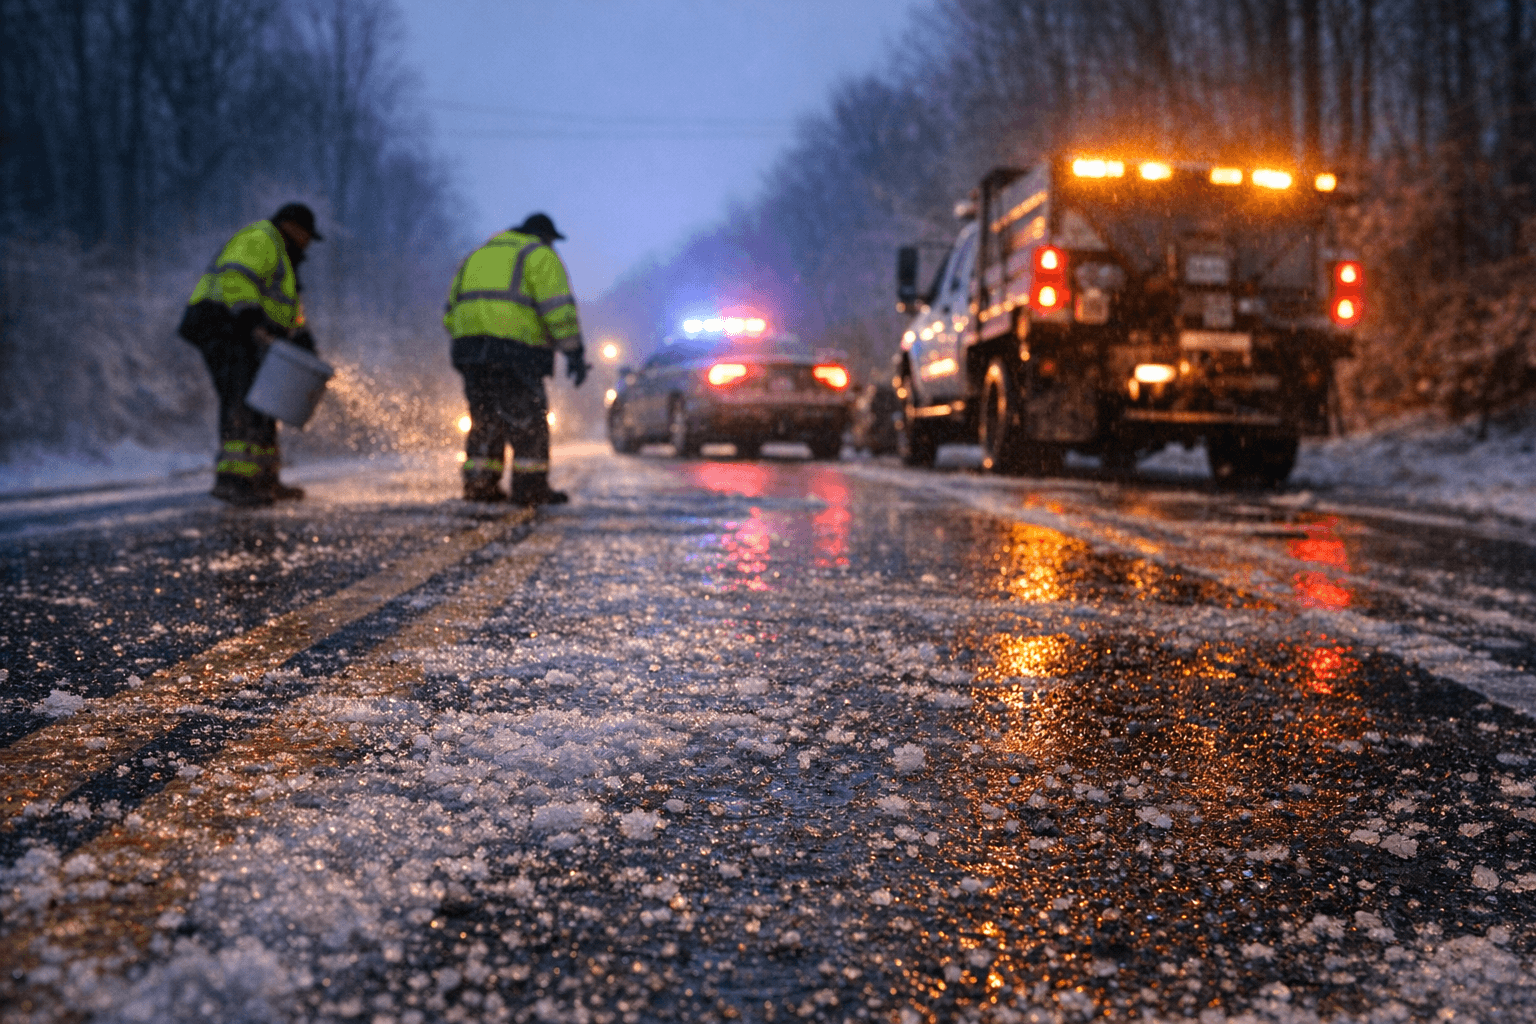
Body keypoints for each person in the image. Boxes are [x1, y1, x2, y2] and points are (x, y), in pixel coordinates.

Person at [179, 203, 321, 507]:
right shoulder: (262, 238)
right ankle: (233, 480)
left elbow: (289, 309)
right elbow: (236, 276)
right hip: (220, 322)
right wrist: (248, 315)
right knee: (241, 394)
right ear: (293, 227)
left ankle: (265, 479)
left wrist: (303, 338)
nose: (309, 242)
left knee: (263, 398)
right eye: (308, 235)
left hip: (243, 329)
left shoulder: (284, 257)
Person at [445, 212, 590, 504]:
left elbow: (450, 311)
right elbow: (558, 310)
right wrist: (573, 352)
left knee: (485, 417)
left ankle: (479, 486)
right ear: (545, 236)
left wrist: (473, 338)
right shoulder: (539, 255)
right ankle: (530, 488)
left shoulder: (478, 254)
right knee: (527, 420)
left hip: (469, 350)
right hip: (517, 351)